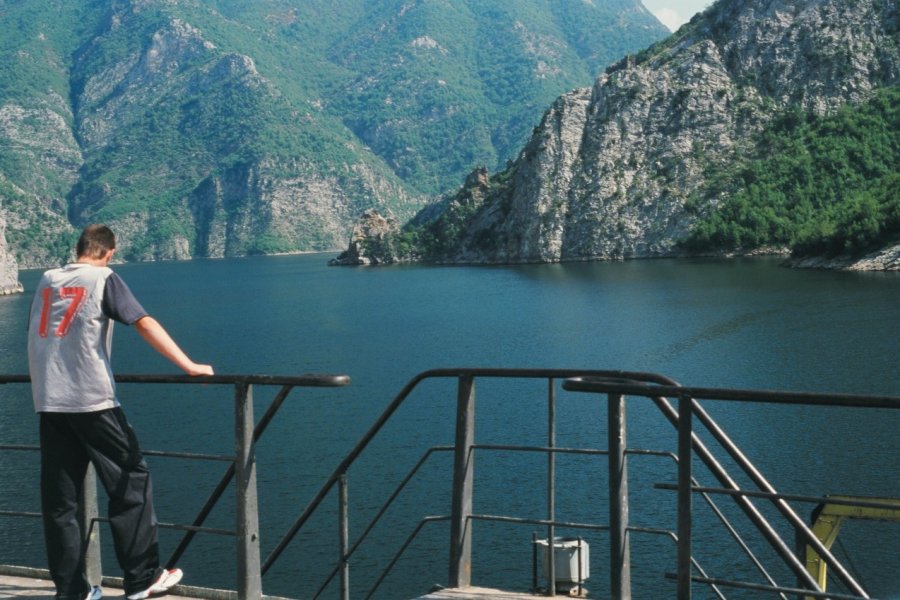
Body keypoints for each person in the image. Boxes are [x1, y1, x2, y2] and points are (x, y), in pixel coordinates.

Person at [27, 224, 214, 600]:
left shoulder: (47, 279)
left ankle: (72, 591)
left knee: (61, 503)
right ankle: (141, 579)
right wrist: (190, 365)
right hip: (91, 401)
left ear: (79, 247)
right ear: (109, 252)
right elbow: (142, 321)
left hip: (49, 401)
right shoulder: (103, 278)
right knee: (131, 482)